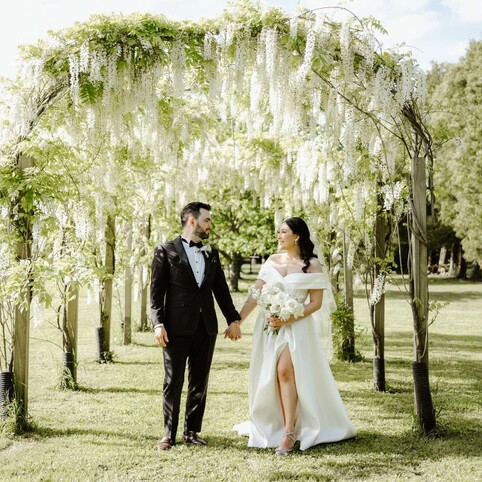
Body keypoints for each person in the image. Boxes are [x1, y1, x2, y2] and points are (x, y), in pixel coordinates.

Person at [226, 217, 356, 454]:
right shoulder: (272, 261)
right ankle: (282, 420)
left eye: (283, 232)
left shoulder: (312, 264)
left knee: (285, 371)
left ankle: (289, 432)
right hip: (268, 328)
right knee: (272, 376)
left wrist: (289, 317)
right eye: (279, 231)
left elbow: (315, 303)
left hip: (296, 328)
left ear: (297, 236)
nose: (279, 236)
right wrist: (238, 321)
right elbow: (255, 295)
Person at [151, 202, 241, 451]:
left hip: (206, 327)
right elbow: (156, 295)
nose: (210, 224)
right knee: (173, 381)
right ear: (192, 221)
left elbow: (221, 291)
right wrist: (158, 324)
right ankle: (168, 434)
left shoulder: (212, 253)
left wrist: (233, 319)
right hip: (175, 328)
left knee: (199, 381)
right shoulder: (165, 251)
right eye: (207, 220)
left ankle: (191, 431)